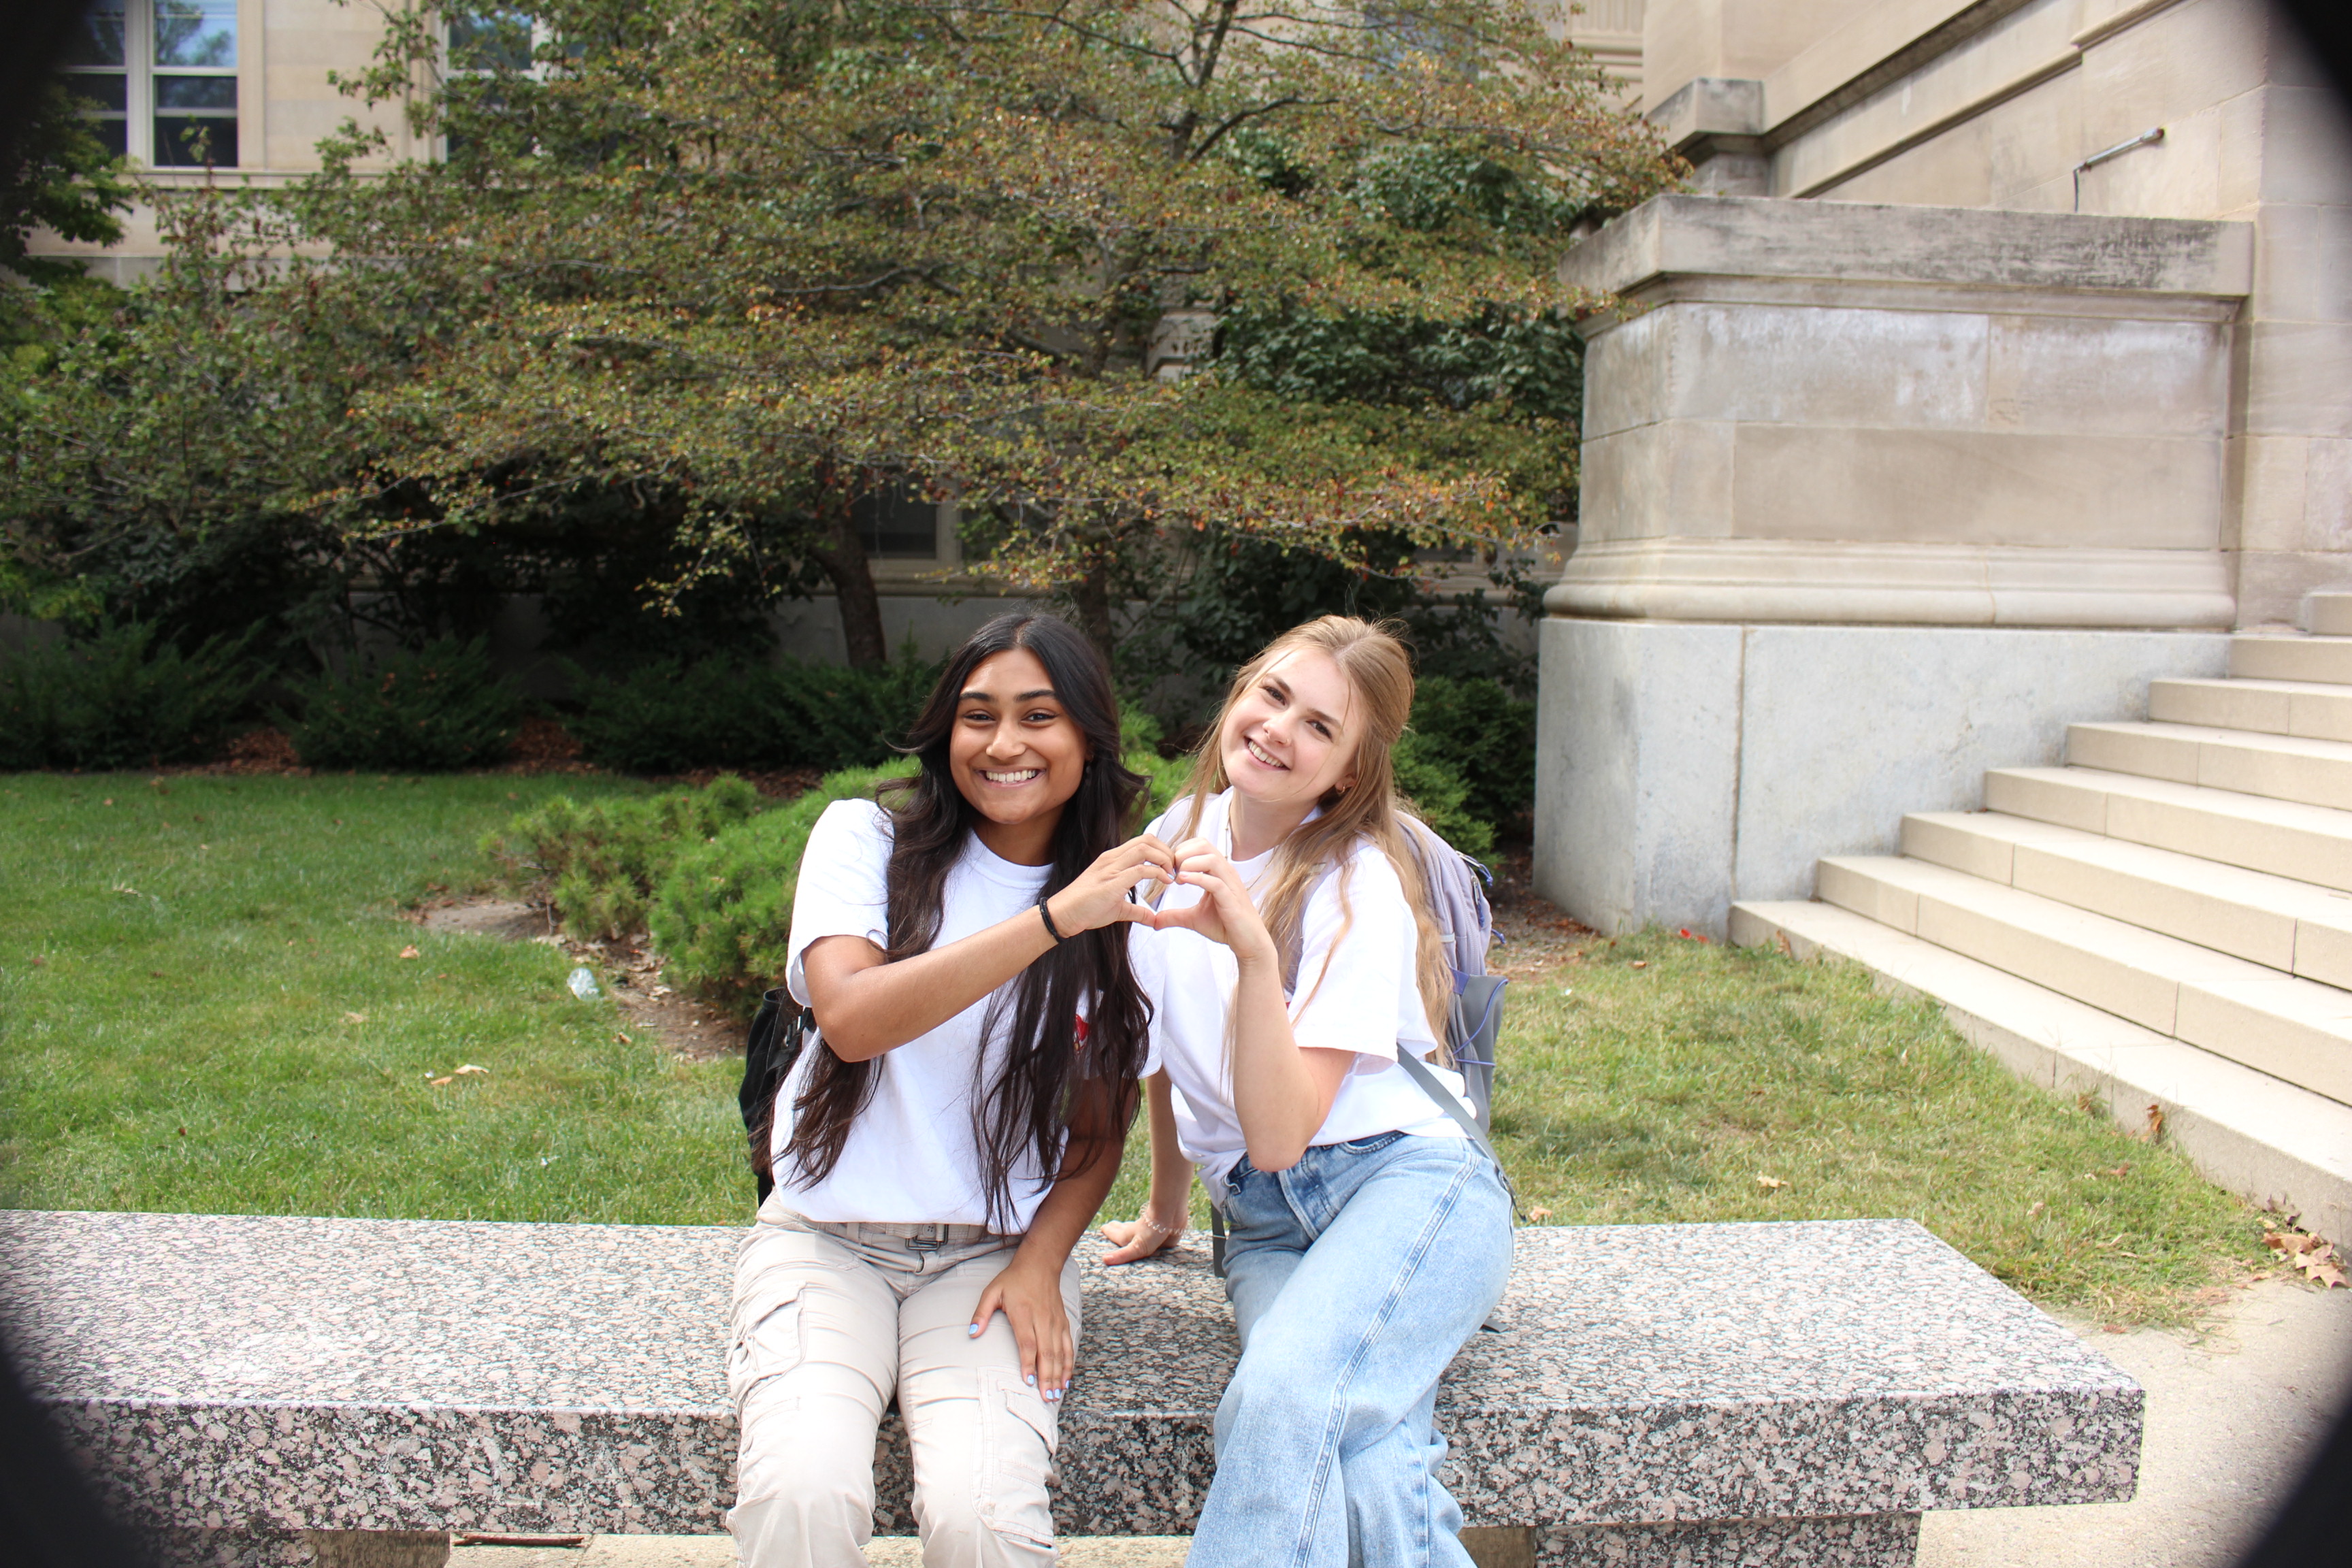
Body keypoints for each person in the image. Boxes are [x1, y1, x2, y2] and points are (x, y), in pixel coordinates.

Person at [728, 612, 1172, 1568]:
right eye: (978, 716)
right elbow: (852, 1016)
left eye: (1038, 716)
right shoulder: (865, 840)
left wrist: (1043, 1263)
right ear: (946, 732)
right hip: (826, 1245)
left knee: (983, 1522)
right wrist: (1053, 919)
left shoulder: (1120, 904)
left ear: (1088, 740)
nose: (1004, 744)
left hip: (990, 1260)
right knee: (801, 1493)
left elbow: (1098, 1133)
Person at [1101, 615, 1514, 1568]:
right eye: (1274, 695)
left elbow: (1284, 1132)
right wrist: (1166, 1204)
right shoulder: (1179, 832)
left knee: (1283, 1399)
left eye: (1322, 728)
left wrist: (1251, 949)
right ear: (1239, 695)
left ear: (1348, 773)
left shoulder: (1356, 885)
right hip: (1266, 1223)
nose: (1282, 729)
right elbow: (1166, 1053)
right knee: (1365, 1458)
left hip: (1409, 1190)